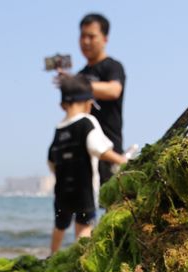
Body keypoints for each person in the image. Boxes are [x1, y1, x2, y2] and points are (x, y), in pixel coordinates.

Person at [47, 75, 126, 254]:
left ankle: (51, 257)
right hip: (83, 190)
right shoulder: (87, 122)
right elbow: (100, 149)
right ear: (88, 103)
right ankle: (79, 261)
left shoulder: (59, 129)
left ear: (62, 105)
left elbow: (51, 161)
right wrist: (122, 160)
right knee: (83, 227)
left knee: (60, 225)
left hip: (62, 190)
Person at [60, 13, 126, 187]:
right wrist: (68, 88)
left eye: (91, 36)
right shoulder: (80, 74)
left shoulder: (112, 66)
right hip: (81, 150)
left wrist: (78, 84)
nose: (86, 41)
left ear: (105, 38)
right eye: (82, 36)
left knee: (110, 203)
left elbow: (114, 90)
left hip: (109, 148)